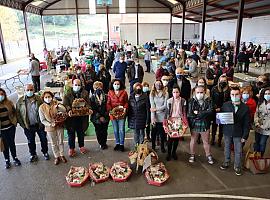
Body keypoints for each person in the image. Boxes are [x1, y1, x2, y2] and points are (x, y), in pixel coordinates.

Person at [220, 87, 250, 176]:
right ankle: (226, 161)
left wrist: (245, 136)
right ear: (230, 95)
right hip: (227, 131)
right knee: (227, 148)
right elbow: (221, 118)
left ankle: (237, 166)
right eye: (232, 94)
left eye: (236, 94)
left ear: (240, 95)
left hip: (238, 133)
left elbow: (247, 124)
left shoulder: (245, 108)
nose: (234, 96)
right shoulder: (225, 105)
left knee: (238, 150)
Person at [16, 84, 49, 162]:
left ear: (33, 90)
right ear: (25, 90)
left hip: (39, 124)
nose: (29, 91)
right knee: (30, 141)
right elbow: (18, 114)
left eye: (31, 90)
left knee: (43, 139)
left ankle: (45, 152)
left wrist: (43, 122)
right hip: (28, 126)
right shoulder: (20, 101)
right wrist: (23, 125)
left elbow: (44, 109)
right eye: (27, 90)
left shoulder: (39, 99)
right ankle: (33, 154)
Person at [63, 79, 90, 157]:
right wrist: (69, 110)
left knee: (81, 133)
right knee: (71, 134)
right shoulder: (67, 94)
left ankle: (81, 146)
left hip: (81, 117)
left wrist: (89, 109)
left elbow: (88, 103)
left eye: (79, 85)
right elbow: (65, 104)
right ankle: (71, 148)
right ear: (72, 85)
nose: (77, 86)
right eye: (75, 85)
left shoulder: (85, 93)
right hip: (71, 118)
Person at [39, 91, 67, 165]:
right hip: (50, 127)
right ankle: (56, 156)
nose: (48, 98)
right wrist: (50, 124)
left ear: (52, 97)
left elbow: (64, 110)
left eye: (49, 97)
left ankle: (62, 155)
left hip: (59, 125)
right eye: (46, 97)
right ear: (43, 98)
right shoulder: (42, 107)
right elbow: (42, 120)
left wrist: (59, 106)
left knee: (60, 141)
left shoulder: (56, 103)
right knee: (53, 143)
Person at [188, 85, 214, 164]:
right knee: (193, 140)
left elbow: (211, 111)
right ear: (194, 92)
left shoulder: (209, 100)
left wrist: (199, 113)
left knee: (206, 141)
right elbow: (190, 114)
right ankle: (192, 155)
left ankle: (208, 155)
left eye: (201, 92)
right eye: (198, 92)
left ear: (205, 92)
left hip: (205, 123)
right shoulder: (191, 101)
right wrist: (204, 113)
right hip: (194, 123)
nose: (200, 94)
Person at [164, 86, 188, 161]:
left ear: (179, 92)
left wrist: (185, 122)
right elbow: (167, 112)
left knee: (177, 139)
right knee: (170, 138)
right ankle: (169, 153)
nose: (175, 94)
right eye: (174, 92)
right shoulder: (169, 101)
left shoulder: (183, 100)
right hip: (171, 121)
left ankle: (174, 152)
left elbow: (184, 112)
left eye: (177, 92)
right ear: (172, 93)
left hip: (179, 121)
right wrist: (165, 122)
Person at [0, 88, 21, 169]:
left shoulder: (9, 102)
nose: (1, 96)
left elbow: (14, 112)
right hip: (1, 129)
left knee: (11, 143)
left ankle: (15, 158)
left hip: (10, 127)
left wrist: (14, 122)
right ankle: (7, 160)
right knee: (4, 145)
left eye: (2, 94)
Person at [107, 79, 128, 152]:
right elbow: (108, 103)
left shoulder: (124, 93)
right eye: (115, 84)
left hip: (122, 113)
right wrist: (110, 110)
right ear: (112, 85)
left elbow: (126, 102)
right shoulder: (110, 92)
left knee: (121, 129)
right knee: (115, 130)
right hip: (113, 114)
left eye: (118, 84)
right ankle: (117, 143)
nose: (116, 85)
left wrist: (125, 108)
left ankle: (122, 144)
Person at [211, 75, 231, 146]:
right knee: (214, 126)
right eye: (222, 81)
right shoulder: (214, 88)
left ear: (227, 81)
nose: (223, 82)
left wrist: (222, 108)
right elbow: (211, 99)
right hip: (215, 110)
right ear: (219, 81)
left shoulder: (229, 90)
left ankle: (219, 140)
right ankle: (213, 139)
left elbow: (229, 101)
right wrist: (215, 107)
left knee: (222, 127)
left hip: (224, 111)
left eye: (224, 81)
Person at [150, 80, 169, 152]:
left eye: (160, 84)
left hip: (163, 116)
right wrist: (153, 118)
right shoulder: (152, 93)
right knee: (154, 133)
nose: (158, 85)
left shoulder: (166, 93)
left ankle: (162, 147)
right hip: (155, 116)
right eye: (157, 84)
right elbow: (152, 106)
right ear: (154, 85)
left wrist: (156, 109)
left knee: (162, 134)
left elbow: (165, 106)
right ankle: (153, 147)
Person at [90, 81, 109, 150]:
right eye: (96, 87)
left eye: (100, 87)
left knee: (104, 130)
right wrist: (99, 116)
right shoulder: (92, 97)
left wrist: (104, 115)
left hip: (105, 117)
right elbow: (92, 108)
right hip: (96, 118)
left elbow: (108, 107)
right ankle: (100, 143)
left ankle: (104, 143)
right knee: (98, 131)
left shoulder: (106, 96)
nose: (98, 89)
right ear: (94, 88)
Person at [253, 87, 270, 156]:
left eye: (269, 94)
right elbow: (256, 113)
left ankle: (260, 156)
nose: (267, 95)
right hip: (258, 127)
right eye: (266, 94)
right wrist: (256, 122)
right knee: (256, 141)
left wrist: (264, 126)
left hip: (266, 128)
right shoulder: (260, 103)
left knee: (262, 143)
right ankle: (255, 155)